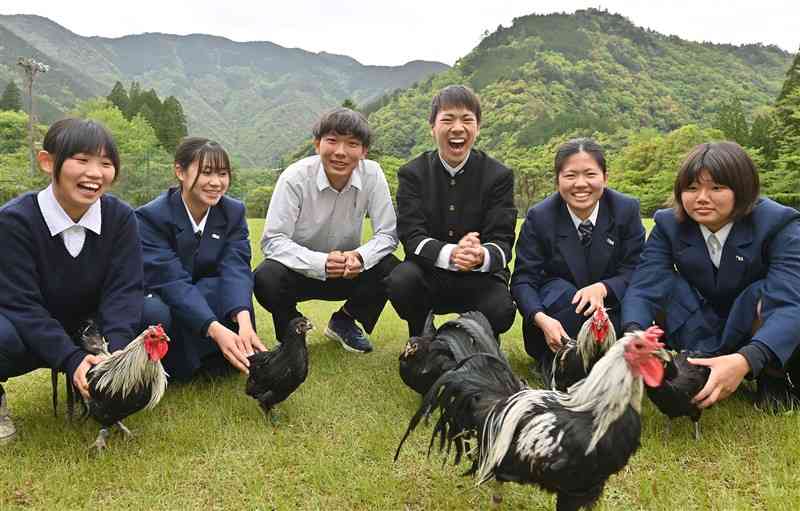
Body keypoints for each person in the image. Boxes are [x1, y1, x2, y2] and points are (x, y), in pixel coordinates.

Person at [622, 141, 800, 410]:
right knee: (663, 286)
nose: (701, 197)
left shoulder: (778, 223)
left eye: (716, 187)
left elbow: (791, 302)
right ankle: (696, 363)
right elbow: (644, 286)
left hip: (749, 319)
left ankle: (772, 376)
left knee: (767, 293)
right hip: (698, 323)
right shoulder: (668, 224)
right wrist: (634, 335)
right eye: (692, 188)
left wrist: (746, 360)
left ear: (743, 189)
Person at [0, 118, 143, 443]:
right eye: (82, 160)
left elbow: (125, 291)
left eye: (106, 164)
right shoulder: (15, 221)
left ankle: (111, 396)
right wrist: (71, 358)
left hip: (92, 329)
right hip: (30, 330)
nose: (95, 173)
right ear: (48, 162)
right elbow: (21, 305)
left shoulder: (121, 218)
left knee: (156, 317)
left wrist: (116, 356)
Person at [253, 107, 399, 353]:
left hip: (348, 272)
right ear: (317, 144)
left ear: (364, 151)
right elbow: (273, 240)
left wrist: (360, 257)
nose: (340, 152)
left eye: (352, 144)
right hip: (299, 272)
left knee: (391, 269)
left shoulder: (372, 175)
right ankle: (292, 330)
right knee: (266, 276)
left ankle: (344, 321)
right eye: (332, 141)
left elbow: (387, 234)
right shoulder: (295, 177)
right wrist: (320, 262)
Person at [386, 85, 517, 338]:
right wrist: (452, 253)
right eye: (447, 119)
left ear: (477, 127)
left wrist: (479, 255)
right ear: (432, 127)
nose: (458, 128)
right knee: (401, 280)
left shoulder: (499, 176)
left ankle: (477, 336)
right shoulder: (412, 173)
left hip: (480, 277)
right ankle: (421, 333)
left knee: (500, 309)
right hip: (431, 273)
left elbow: (503, 242)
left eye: (467, 120)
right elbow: (412, 237)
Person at [511, 138, 645, 375]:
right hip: (556, 318)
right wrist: (541, 319)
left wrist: (602, 288)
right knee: (562, 290)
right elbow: (523, 280)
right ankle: (556, 360)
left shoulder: (626, 210)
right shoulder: (540, 217)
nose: (580, 184)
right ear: (558, 180)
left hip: (608, 311)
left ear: (605, 176)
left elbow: (636, 268)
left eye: (590, 174)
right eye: (570, 175)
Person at [137, 137, 265, 381]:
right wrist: (215, 329)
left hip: (204, 289)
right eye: (206, 173)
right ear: (180, 171)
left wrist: (245, 321)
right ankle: (172, 369)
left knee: (223, 290)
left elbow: (236, 267)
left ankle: (223, 355)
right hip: (163, 292)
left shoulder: (233, 211)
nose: (216, 183)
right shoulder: (151, 217)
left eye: (223, 174)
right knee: (156, 312)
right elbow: (171, 281)